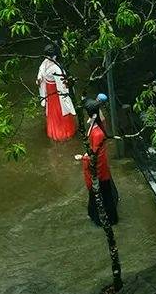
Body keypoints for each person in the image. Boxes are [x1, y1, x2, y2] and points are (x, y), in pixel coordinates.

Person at [80, 96, 119, 226]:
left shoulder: (97, 133)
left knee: (100, 193)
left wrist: (83, 157)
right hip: (99, 165)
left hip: (98, 168)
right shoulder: (95, 126)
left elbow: (95, 154)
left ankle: (105, 219)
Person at [37, 46, 77, 142]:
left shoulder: (50, 65)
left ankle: (57, 132)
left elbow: (40, 77)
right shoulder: (50, 65)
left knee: (55, 110)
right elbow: (41, 71)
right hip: (52, 90)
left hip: (52, 90)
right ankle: (60, 132)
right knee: (56, 109)